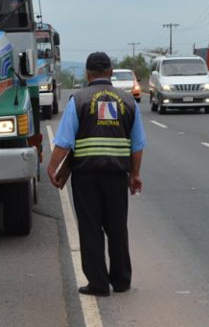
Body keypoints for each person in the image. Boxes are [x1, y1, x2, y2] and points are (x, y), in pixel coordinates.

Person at [47, 52, 145, 297]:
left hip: (86, 176)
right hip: (116, 176)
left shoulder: (78, 100)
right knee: (117, 228)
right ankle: (121, 281)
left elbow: (64, 141)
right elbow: (137, 144)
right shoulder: (128, 102)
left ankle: (98, 284)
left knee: (91, 229)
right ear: (110, 72)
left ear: (87, 74)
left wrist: (52, 167)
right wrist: (135, 175)